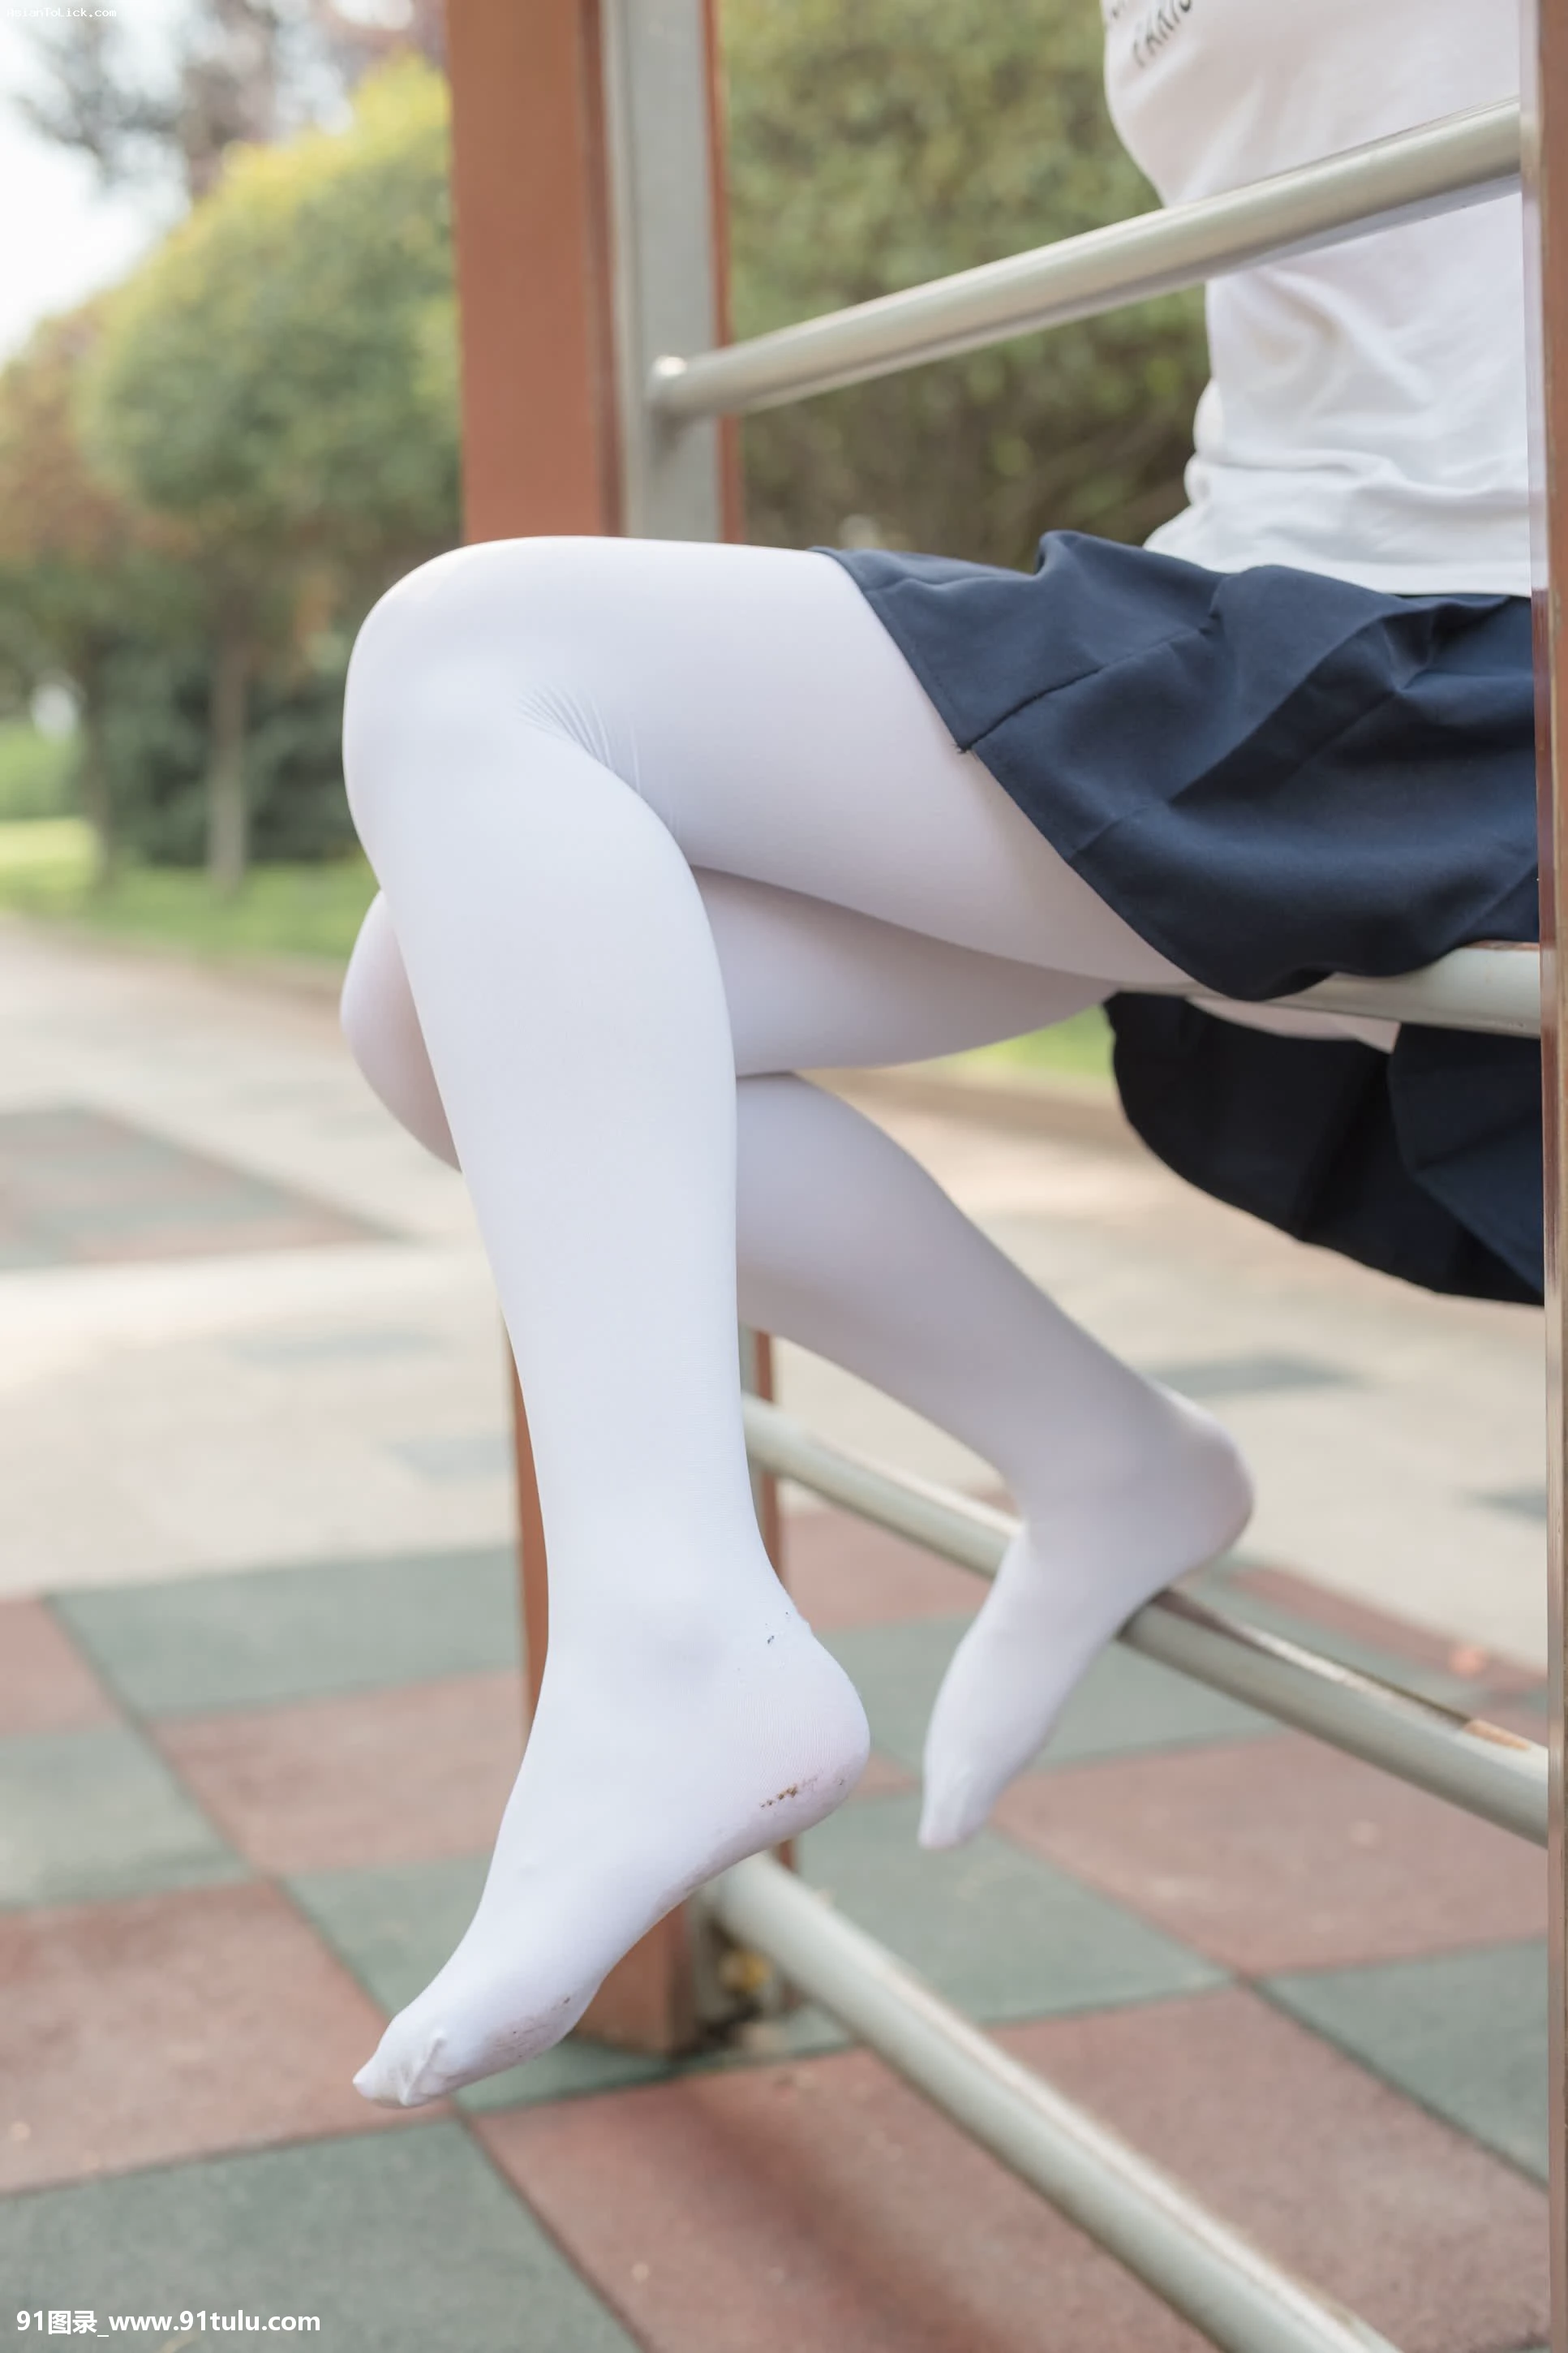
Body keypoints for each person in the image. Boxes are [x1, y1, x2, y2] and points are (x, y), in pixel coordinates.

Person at [337, 0, 1533, 2106]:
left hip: (1466, 665)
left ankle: (667, 1639)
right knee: (431, 1003)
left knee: (469, 662)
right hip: (1261, 618)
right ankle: (1104, 1455)